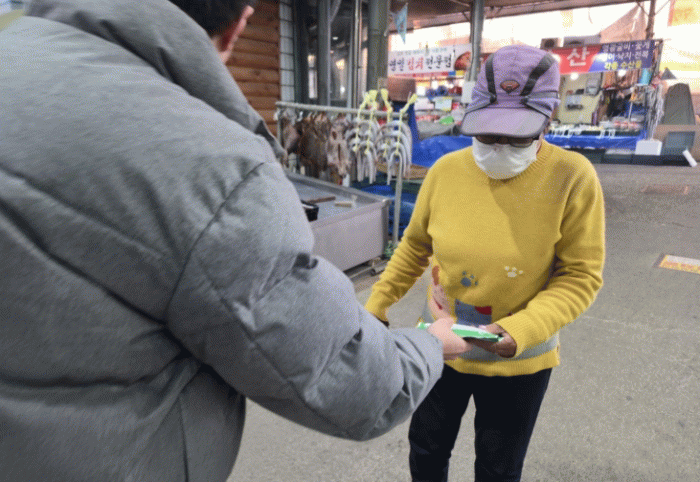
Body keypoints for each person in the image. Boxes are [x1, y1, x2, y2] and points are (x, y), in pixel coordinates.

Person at [0, 1, 470, 480]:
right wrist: (429, 345)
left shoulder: (13, 46)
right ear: (238, 24)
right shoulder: (209, 164)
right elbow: (353, 382)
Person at [364, 44, 606, 482]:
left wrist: (521, 330)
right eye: (487, 134)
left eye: (516, 137)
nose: (498, 147)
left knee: (498, 467)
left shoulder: (572, 178)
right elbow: (414, 246)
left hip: (518, 360)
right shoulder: (445, 171)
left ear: (548, 118)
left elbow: (580, 275)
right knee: (426, 449)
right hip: (439, 344)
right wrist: (376, 304)